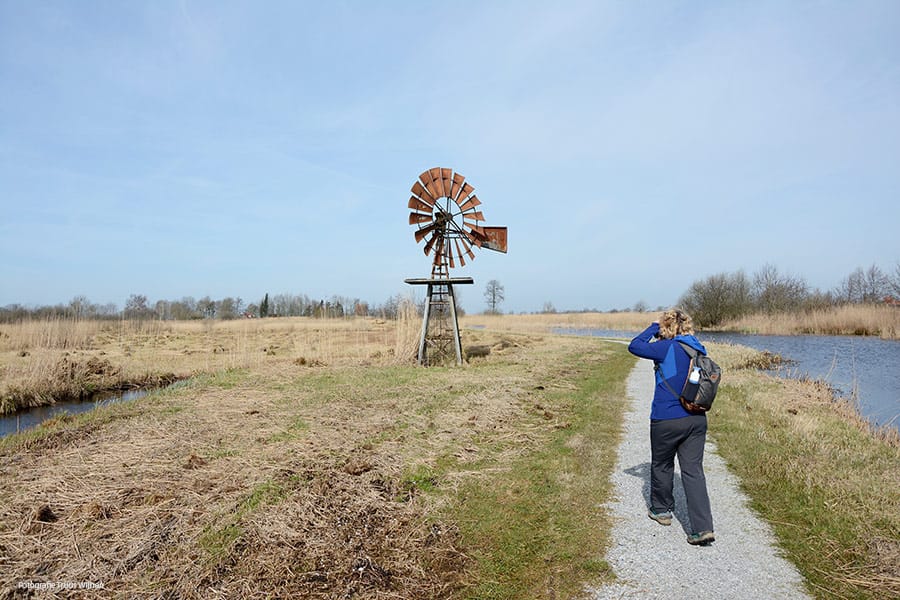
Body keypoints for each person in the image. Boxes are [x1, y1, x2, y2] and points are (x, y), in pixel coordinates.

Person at [628, 309, 715, 545]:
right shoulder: (698, 348)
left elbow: (634, 345)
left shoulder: (666, 347)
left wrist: (653, 327)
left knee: (662, 463)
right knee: (693, 470)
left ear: (665, 327)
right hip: (696, 418)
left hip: (666, 418)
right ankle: (703, 528)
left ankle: (661, 510)